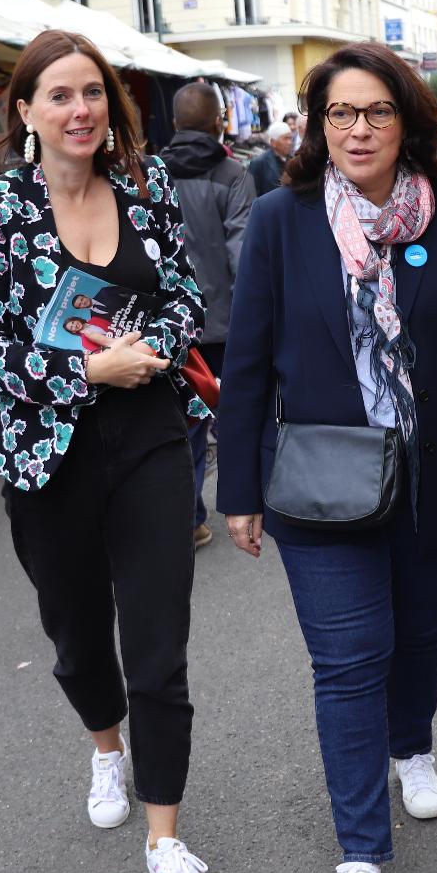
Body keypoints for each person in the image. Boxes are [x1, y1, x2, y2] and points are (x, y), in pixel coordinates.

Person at [217, 42, 437, 873]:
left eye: (377, 112)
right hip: (323, 488)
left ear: (409, 122)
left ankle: (415, 745)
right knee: (348, 663)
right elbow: (244, 365)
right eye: (340, 114)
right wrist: (237, 486)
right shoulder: (284, 220)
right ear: (319, 128)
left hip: (436, 471)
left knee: (421, 628)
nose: (358, 130)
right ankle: (360, 855)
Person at [0, 29, 216, 873]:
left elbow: (185, 296)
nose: (81, 110)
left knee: (158, 646)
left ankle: (167, 837)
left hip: (148, 443)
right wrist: (82, 374)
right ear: (24, 112)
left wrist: (152, 349)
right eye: (59, 96)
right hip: (46, 458)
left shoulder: (146, 191)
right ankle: (106, 743)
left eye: (93, 93)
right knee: (75, 634)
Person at [160, 80, 256, 547]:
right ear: (219, 121)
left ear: (175, 123)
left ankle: (188, 515)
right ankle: (243, 502)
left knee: (183, 421)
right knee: (234, 412)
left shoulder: (147, 171)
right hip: (224, 321)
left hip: (164, 324)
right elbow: (243, 251)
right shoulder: (231, 174)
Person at [249, 119, 294, 197]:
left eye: (290, 138)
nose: (289, 142)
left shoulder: (293, 160)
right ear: (273, 142)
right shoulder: (258, 163)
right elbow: (252, 194)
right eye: (285, 139)